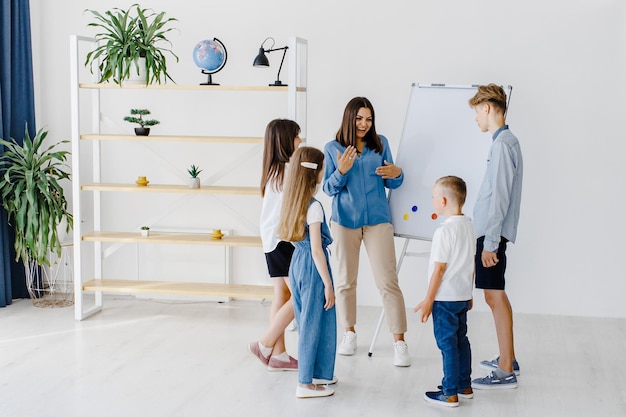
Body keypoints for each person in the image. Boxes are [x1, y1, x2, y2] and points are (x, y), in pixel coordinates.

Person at [323, 96, 410, 367]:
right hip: (345, 221)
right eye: (359, 118)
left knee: (388, 280)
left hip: (377, 221)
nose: (364, 123)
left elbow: (394, 181)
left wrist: (397, 173)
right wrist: (341, 171)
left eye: (368, 118)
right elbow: (328, 188)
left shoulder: (380, 143)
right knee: (346, 281)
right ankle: (349, 333)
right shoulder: (332, 148)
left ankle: (399, 341)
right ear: (350, 118)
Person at [468, 84, 523, 389]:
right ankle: (508, 357)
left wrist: (490, 243)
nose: (476, 118)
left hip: (492, 234)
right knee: (495, 293)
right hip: (492, 232)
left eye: (477, 111)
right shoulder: (505, 141)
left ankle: (505, 369)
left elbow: (500, 196)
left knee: (494, 295)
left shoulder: (502, 144)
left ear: (487, 108)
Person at [277, 146, 337, 398]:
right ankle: (305, 383)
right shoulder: (314, 207)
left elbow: (300, 244)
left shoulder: (293, 202)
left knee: (306, 320)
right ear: (316, 172)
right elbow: (316, 250)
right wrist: (328, 284)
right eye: (324, 166)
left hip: (297, 264)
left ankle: (319, 373)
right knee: (314, 323)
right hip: (313, 268)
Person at [414, 176, 476, 408]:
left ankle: (450, 392)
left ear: (442, 201)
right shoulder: (468, 225)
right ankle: (464, 384)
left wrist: (429, 299)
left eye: (432, 197)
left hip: (445, 298)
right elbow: (471, 262)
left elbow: (439, 268)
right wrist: (470, 293)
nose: (431, 200)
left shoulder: (444, 232)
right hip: (461, 295)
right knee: (461, 340)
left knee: (447, 344)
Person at [249, 119, 302, 371]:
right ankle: (266, 343)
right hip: (283, 241)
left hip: (272, 240)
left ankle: (279, 355)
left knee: (282, 294)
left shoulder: (273, 170)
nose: (301, 140)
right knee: (302, 295)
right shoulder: (287, 171)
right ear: (285, 141)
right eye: (297, 137)